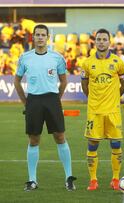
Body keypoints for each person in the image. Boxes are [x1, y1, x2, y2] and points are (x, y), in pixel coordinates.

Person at [14, 24, 76, 191]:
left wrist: (56, 99)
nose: (40, 37)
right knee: (34, 140)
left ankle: (69, 178)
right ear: (33, 37)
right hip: (33, 101)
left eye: (43, 35)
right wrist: (25, 102)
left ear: (48, 37)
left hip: (52, 99)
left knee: (60, 137)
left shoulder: (57, 58)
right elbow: (16, 81)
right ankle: (32, 180)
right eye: (37, 35)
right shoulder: (25, 57)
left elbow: (64, 81)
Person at [80, 28, 124, 191]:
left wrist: (115, 96)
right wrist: (93, 99)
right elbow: (84, 85)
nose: (101, 42)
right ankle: (93, 180)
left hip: (113, 111)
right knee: (92, 144)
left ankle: (115, 178)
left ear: (109, 42)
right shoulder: (87, 63)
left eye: (104, 39)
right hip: (94, 111)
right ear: (95, 42)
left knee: (116, 144)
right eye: (98, 39)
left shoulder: (118, 62)